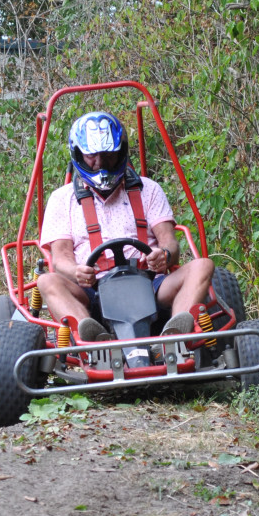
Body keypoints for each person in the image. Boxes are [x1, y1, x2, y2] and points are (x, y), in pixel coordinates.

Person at [37, 111, 214, 342]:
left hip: (150, 284)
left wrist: (164, 255)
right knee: (46, 281)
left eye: (108, 155)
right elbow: (60, 259)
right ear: (78, 154)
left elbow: (170, 244)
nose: (100, 163)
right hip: (91, 290)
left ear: (120, 152)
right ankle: (92, 340)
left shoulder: (148, 189)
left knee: (203, 265)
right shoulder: (62, 199)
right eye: (91, 155)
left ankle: (175, 336)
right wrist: (76, 271)